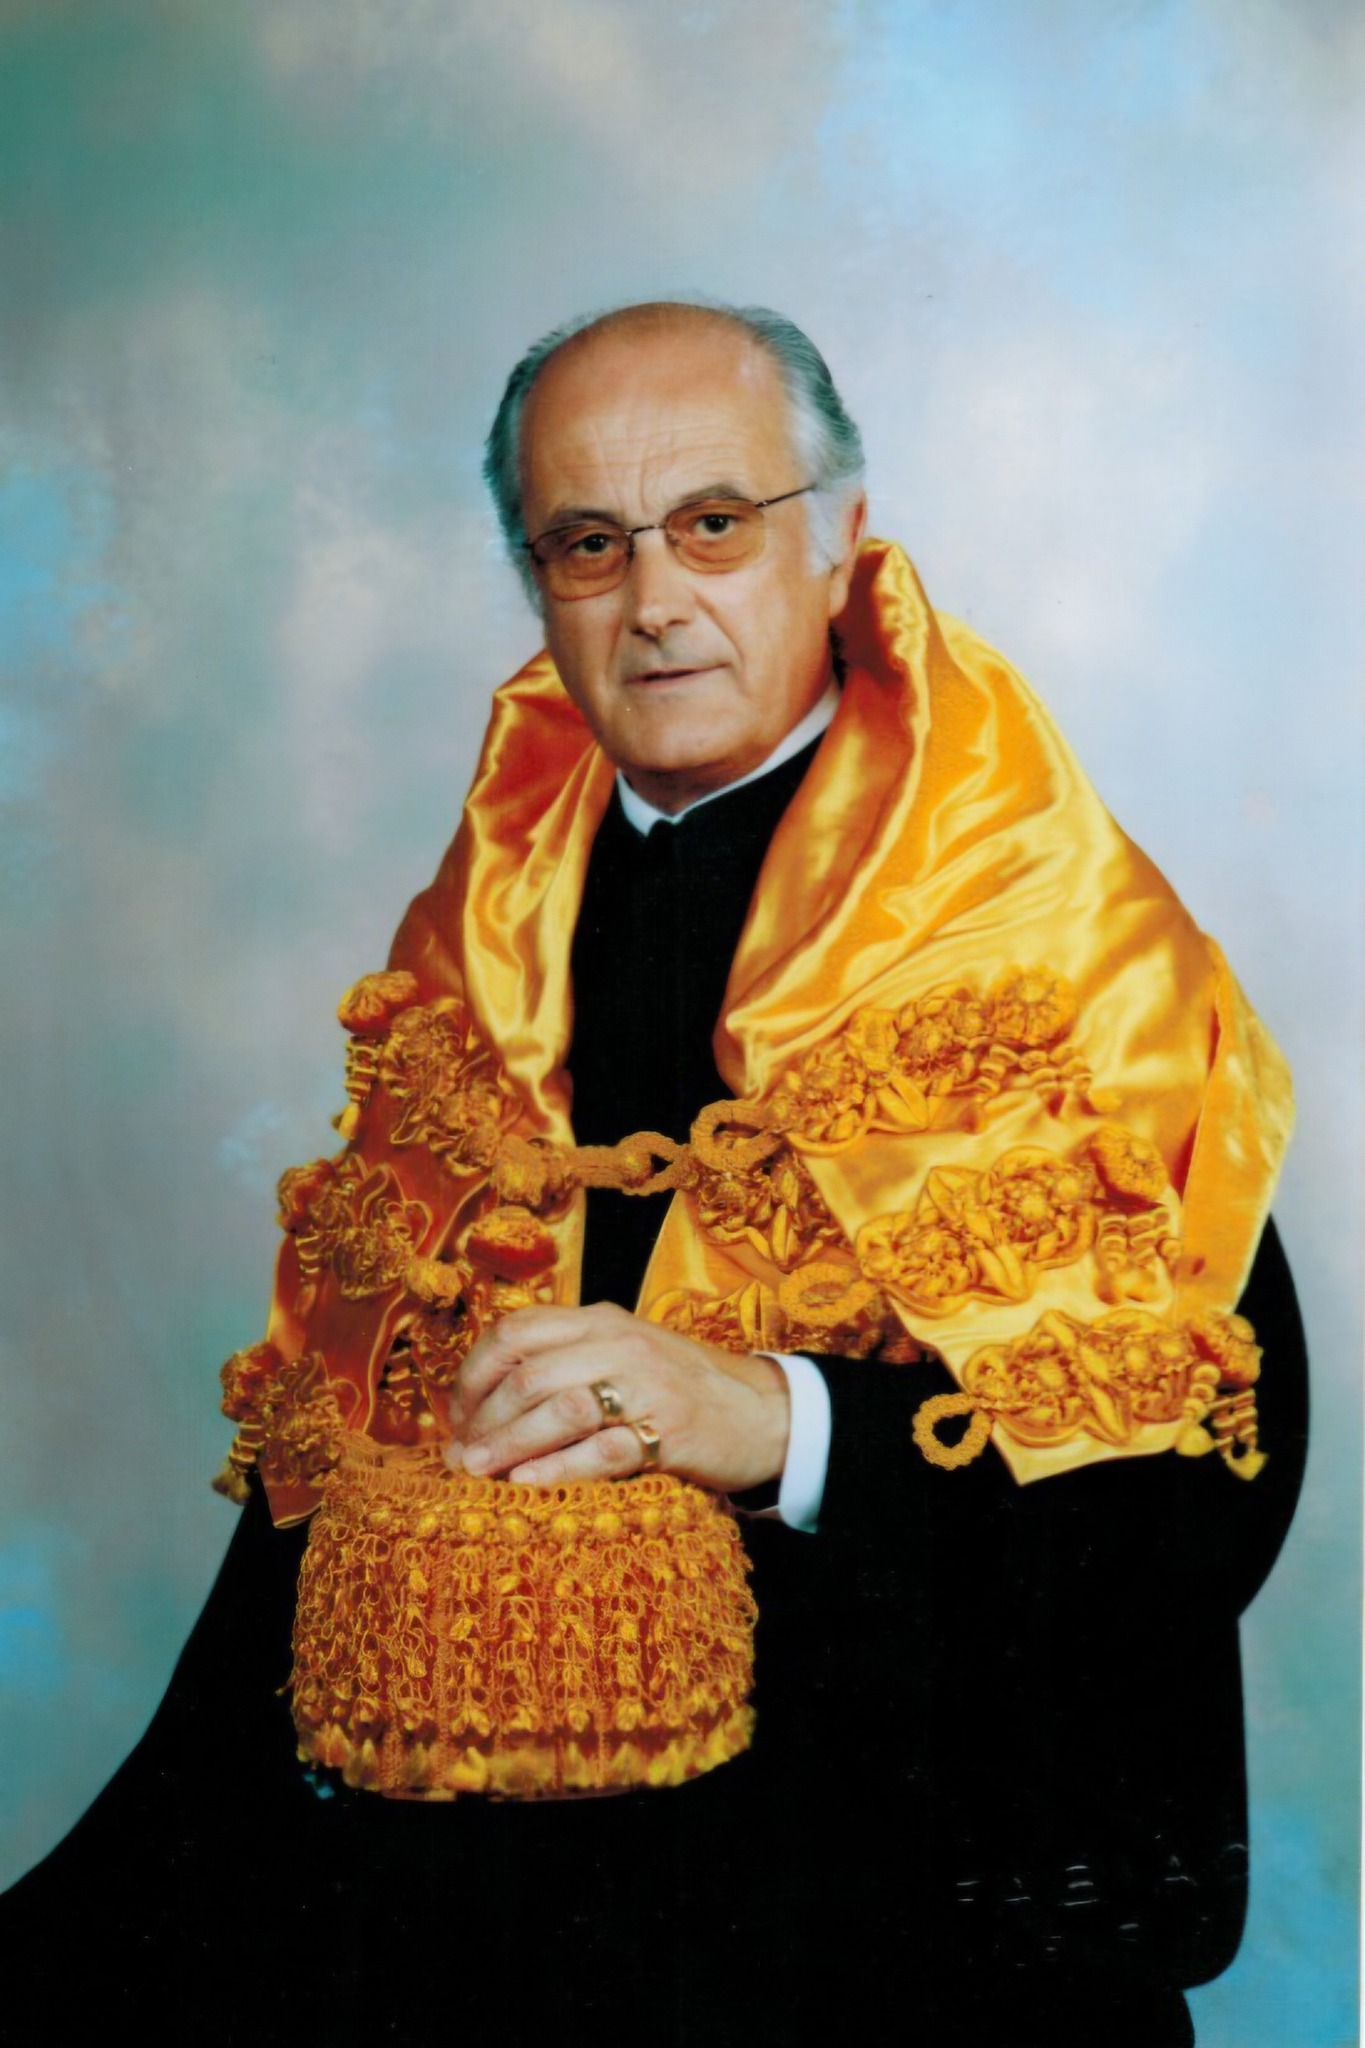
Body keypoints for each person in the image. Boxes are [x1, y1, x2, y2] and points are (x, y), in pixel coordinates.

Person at [1, 301, 1306, 2048]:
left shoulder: (1048, 939)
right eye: (587, 543)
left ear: (839, 537)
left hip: (920, 1958)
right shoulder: (478, 945)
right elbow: (317, 1552)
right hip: (488, 1965)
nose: (655, 599)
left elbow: (1198, 1501)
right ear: (536, 582)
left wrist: (781, 1423)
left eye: (713, 522)